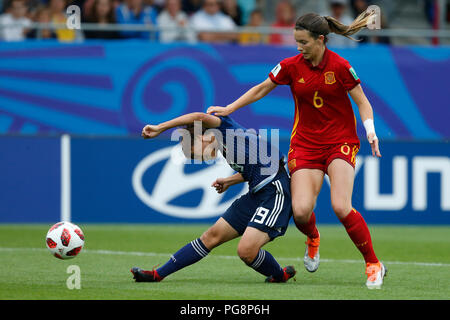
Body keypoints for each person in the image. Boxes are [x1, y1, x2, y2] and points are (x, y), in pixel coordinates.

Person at [207, 10, 387, 289]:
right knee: (301, 212)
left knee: (341, 206)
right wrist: (229, 108)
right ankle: (313, 238)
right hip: (305, 145)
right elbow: (261, 88)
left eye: (303, 42)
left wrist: (371, 131)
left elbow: (363, 102)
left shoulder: (340, 66)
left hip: (340, 142)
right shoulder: (290, 66)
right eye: (296, 42)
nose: (299, 47)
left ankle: (373, 263)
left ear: (320, 40)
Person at [130, 112, 296, 283]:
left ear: (202, 138)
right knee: (211, 236)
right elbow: (257, 168)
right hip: (257, 193)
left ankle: (279, 275)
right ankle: (157, 275)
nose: (199, 159)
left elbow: (198, 116)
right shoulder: (226, 147)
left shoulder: (223, 128)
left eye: (195, 154)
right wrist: (230, 181)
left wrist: (160, 127)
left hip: (275, 191)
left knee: (246, 251)